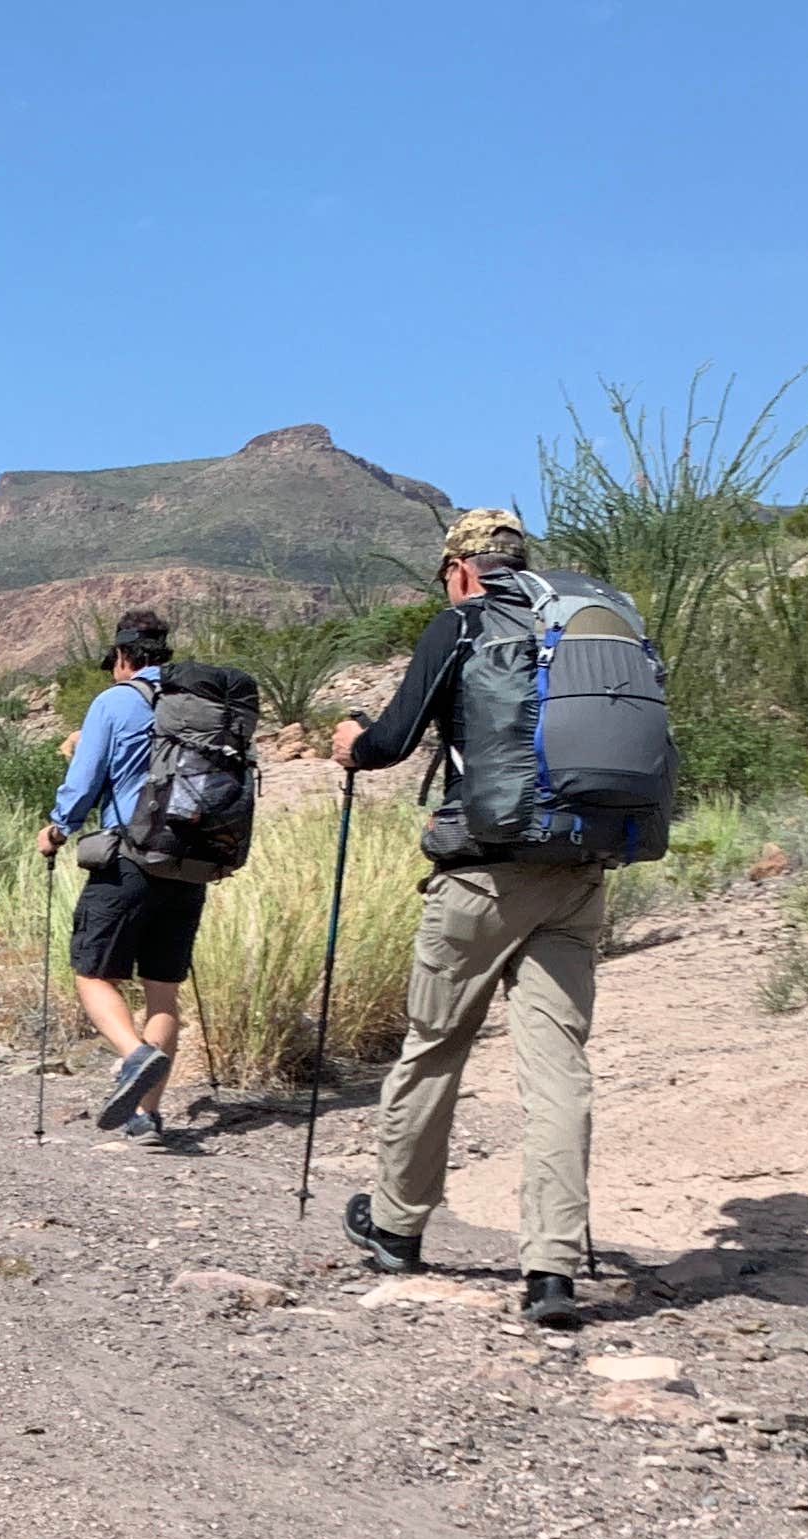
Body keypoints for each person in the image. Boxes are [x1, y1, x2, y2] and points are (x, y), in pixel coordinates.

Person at [330, 507, 604, 1330]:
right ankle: (551, 1268)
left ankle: (397, 1224)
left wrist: (349, 741)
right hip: (579, 871)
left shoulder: (459, 623)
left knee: (435, 1046)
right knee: (557, 1070)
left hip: (482, 876)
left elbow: (392, 741)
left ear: (458, 569)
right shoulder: (586, 623)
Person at [37, 608, 204, 1139]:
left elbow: (84, 782)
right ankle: (146, 1115)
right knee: (163, 993)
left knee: (92, 973)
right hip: (189, 864)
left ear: (124, 658)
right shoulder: (196, 703)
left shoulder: (116, 700)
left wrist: (57, 831)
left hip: (129, 860)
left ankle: (133, 1056)